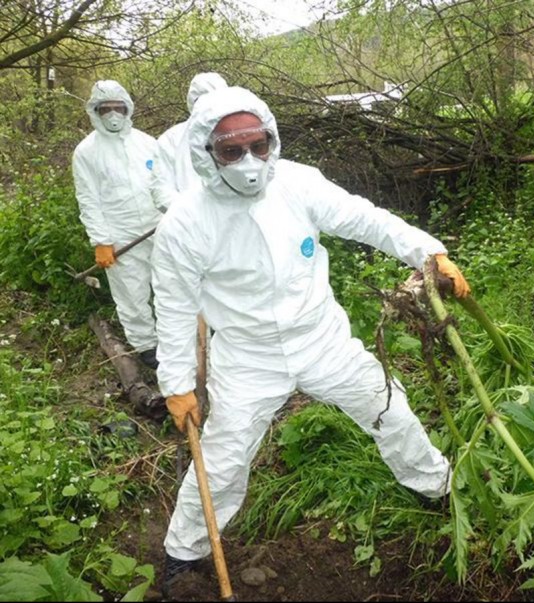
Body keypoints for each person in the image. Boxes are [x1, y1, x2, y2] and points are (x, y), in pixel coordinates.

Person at [150, 86, 471, 593]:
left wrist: (427, 253)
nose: (249, 160)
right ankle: (182, 553)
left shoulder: (297, 184)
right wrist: (176, 383)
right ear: (207, 153)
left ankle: (438, 488)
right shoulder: (185, 223)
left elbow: (366, 219)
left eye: (258, 145)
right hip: (248, 356)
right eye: (232, 150)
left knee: (388, 407)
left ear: (272, 139)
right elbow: (171, 307)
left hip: (323, 339)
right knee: (224, 456)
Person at [72, 80, 162, 369]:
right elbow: (88, 199)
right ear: (94, 111)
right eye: (105, 108)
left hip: (159, 228)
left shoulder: (148, 143)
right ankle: (147, 345)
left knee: (171, 286)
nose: (113, 114)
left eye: (118, 107)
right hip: (120, 234)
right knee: (132, 294)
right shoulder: (86, 152)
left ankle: (178, 339)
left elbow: (166, 184)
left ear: (128, 108)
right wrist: (101, 240)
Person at [153, 72, 228, 211]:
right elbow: (161, 189)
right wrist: (191, 214)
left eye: (213, 98)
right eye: (201, 100)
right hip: (190, 224)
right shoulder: (171, 139)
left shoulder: (238, 133)